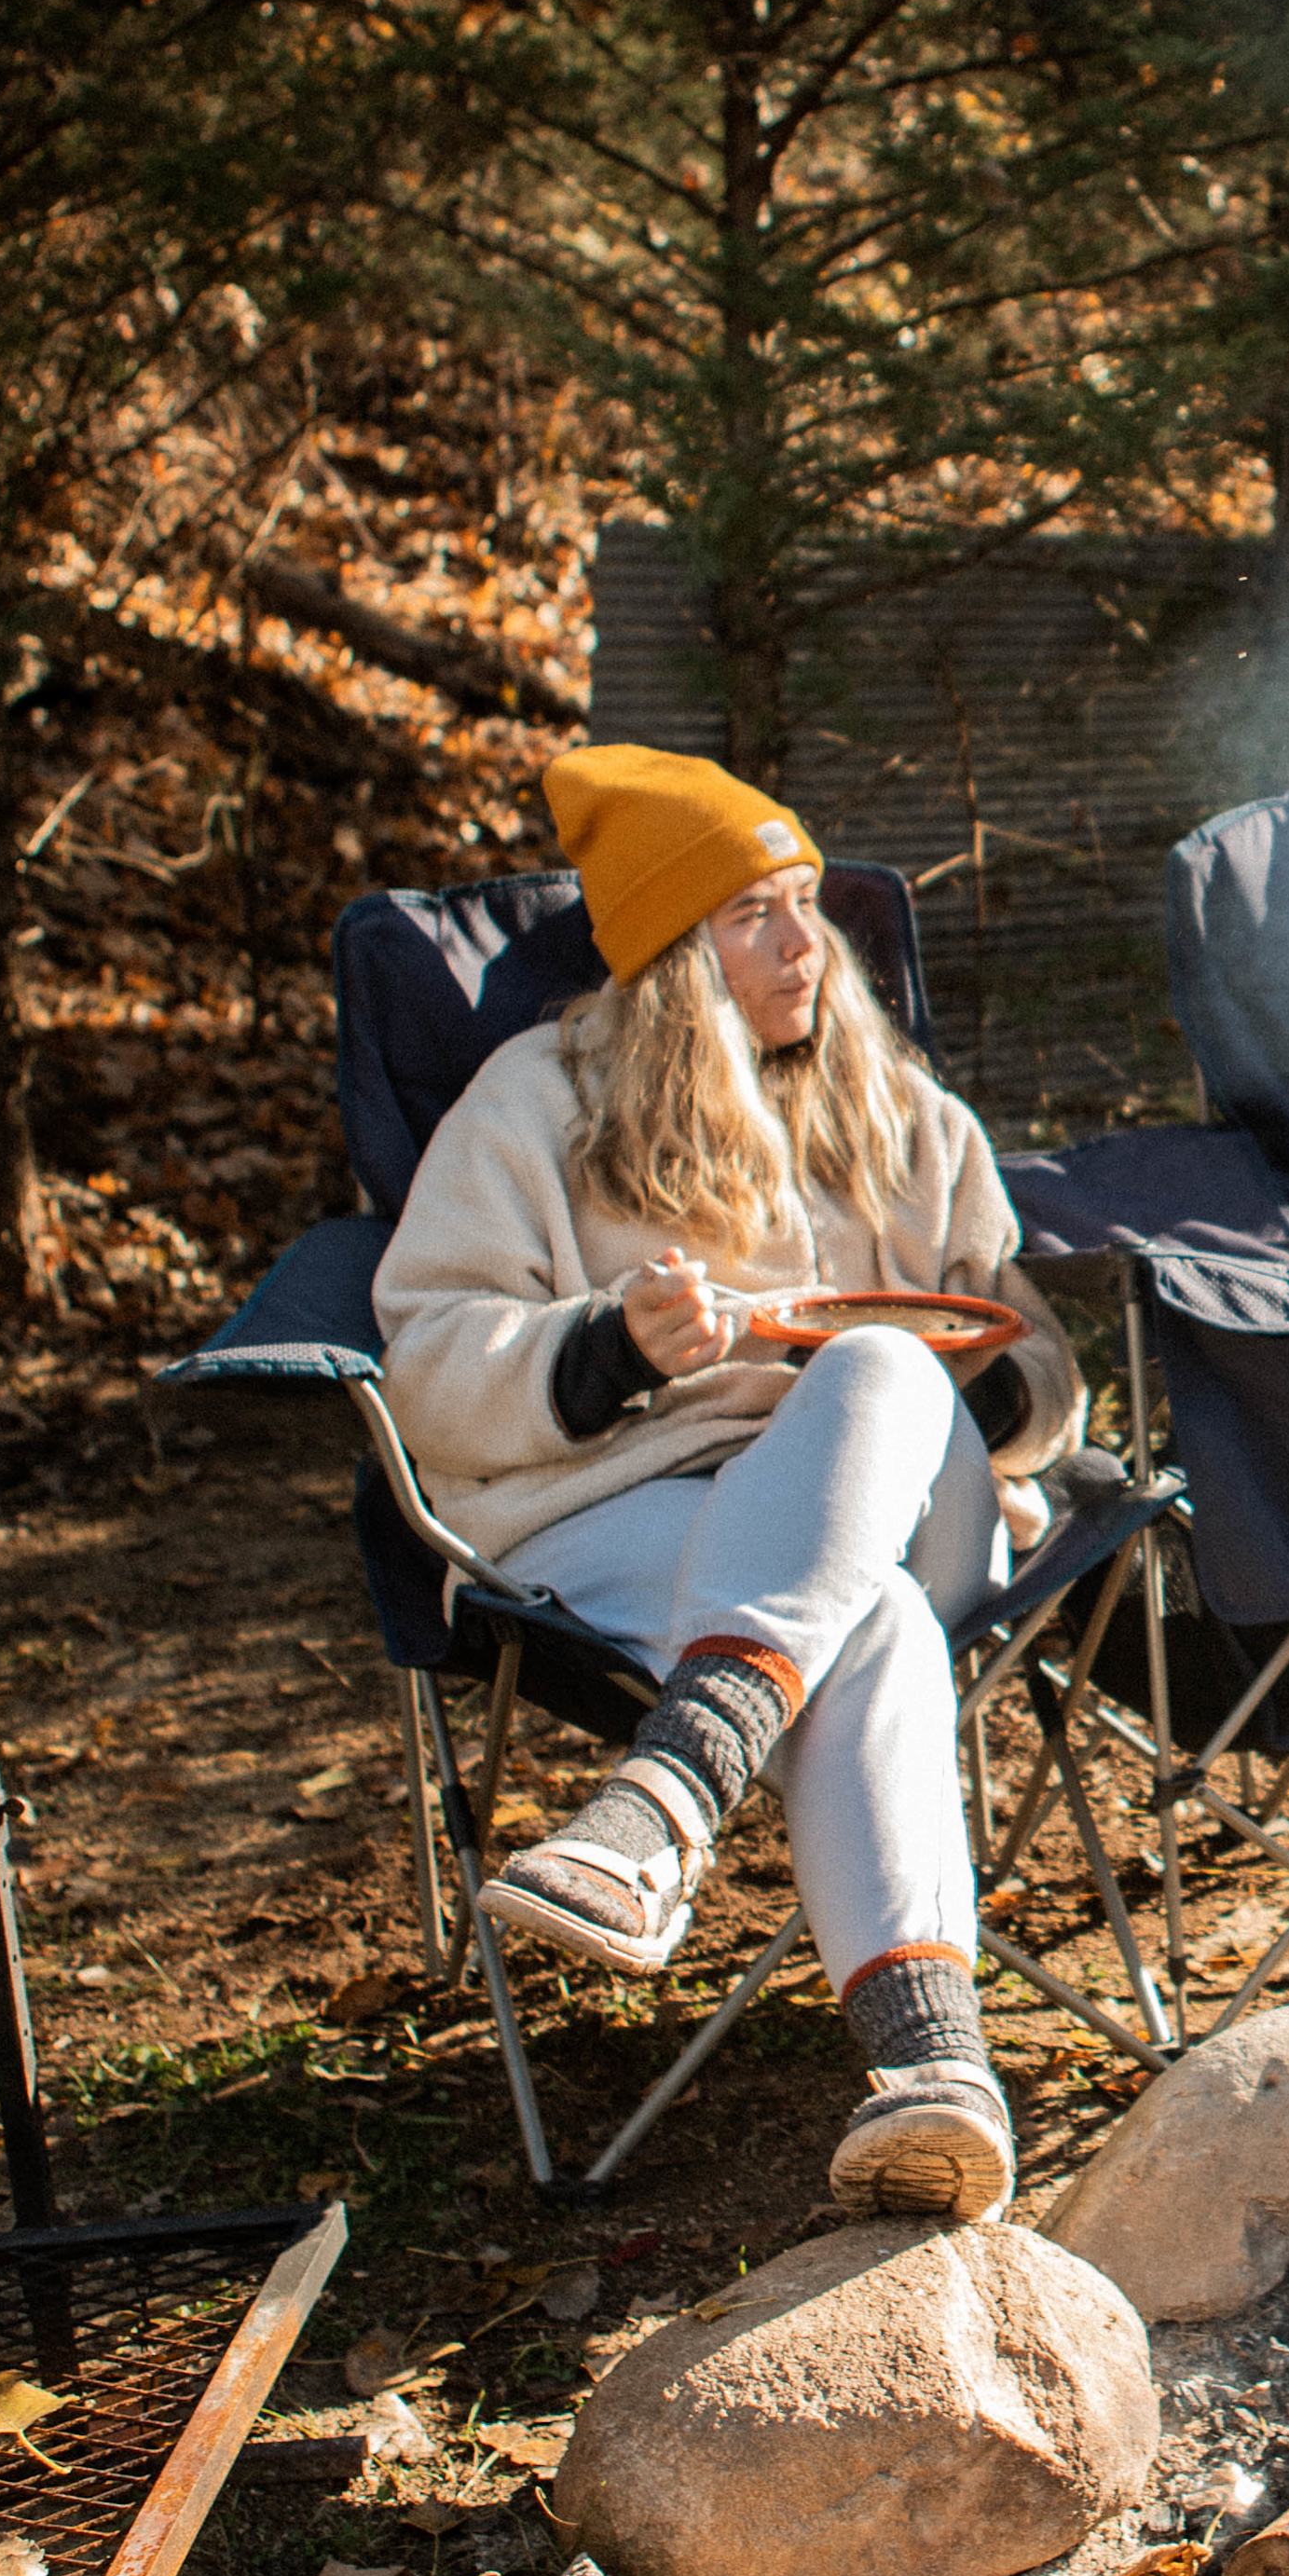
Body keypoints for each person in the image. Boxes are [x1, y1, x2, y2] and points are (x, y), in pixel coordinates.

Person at [371, 740, 1080, 2226]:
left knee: (877, 1370)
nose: (807, 944)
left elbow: (1037, 1370)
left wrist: (984, 1374)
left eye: (808, 903)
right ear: (675, 958)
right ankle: (935, 2071)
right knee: (871, 1625)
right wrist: (610, 1346)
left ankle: (664, 1801)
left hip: (918, 1498)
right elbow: (428, 1357)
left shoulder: (897, 1113)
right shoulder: (539, 1107)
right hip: (634, 1499)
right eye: (757, 914)